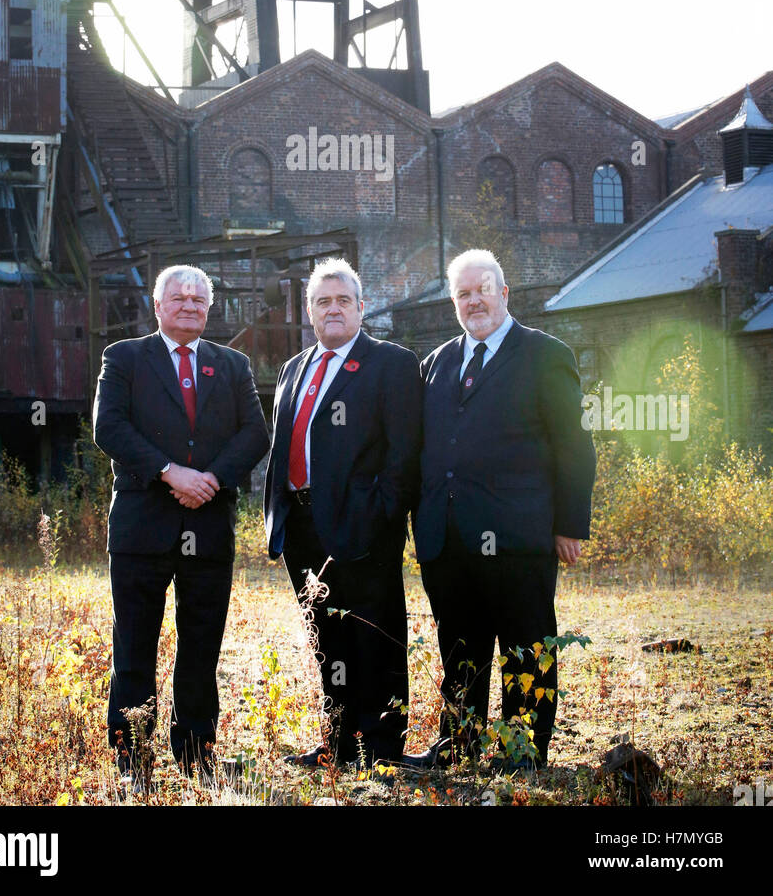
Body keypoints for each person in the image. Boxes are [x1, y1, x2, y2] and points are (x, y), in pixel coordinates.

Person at [404, 248, 595, 772]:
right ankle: (459, 745)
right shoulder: (437, 363)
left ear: (504, 293)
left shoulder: (544, 355)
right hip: (447, 538)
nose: (474, 300)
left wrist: (569, 524)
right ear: (453, 302)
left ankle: (521, 753)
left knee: (525, 648)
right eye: (462, 293)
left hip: (518, 537)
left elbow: (575, 445)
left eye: (482, 288)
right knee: (459, 649)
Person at [93, 263, 269, 785]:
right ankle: (133, 760)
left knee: (201, 648)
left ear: (209, 308)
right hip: (142, 528)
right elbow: (109, 427)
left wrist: (209, 480)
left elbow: (255, 435)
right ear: (158, 305)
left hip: (209, 527)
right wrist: (172, 474)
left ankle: (196, 755)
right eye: (179, 297)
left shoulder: (233, 366)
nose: (190, 305)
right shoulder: (123, 358)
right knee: (135, 647)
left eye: (199, 298)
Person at [264, 257, 422, 767]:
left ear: (361, 306)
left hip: (363, 527)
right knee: (327, 638)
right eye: (322, 301)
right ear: (310, 311)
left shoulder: (391, 364)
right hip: (302, 527)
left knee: (373, 636)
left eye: (342, 301)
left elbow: (404, 456)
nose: (332, 309)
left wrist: (380, 513)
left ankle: (382, 747)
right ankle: (339, 744)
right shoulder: (295, 368)